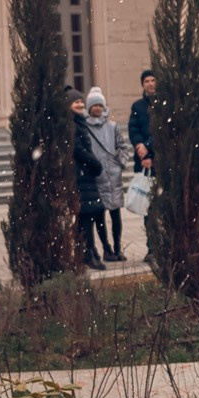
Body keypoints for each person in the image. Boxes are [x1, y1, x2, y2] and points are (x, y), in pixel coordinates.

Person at [82, 88, 127, 261]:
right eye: (95, 105)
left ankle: (117, 248)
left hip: (113, 178)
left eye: (100, 105)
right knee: (99, 216)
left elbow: (122, 146)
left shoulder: (112, 127)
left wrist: (119, 163)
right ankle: (106, 248)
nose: (98, 108)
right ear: (90, 107)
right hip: (97, 178)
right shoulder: (85, 128)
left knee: (116, 216)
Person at [70, 92, 106, 271]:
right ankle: (88, 253)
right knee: (85, 216)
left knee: (87, 216)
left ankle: (86, 252)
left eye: (80, 101)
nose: (79, 104)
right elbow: (78, 150)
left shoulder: (79, 122)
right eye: (75, 102)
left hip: (85, 175)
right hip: (81, 175)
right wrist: (95, 164)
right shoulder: (72, 124)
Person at [129, 69, 156, 172]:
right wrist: (142, 149)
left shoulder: (165, 105)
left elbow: (163, 132)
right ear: (143, 84)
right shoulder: (137, 106)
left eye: (153, 80)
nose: (150, 84)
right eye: (147, 81)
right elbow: (133, 130)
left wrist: (147, 146)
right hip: (143, 159)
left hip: (162, 158)